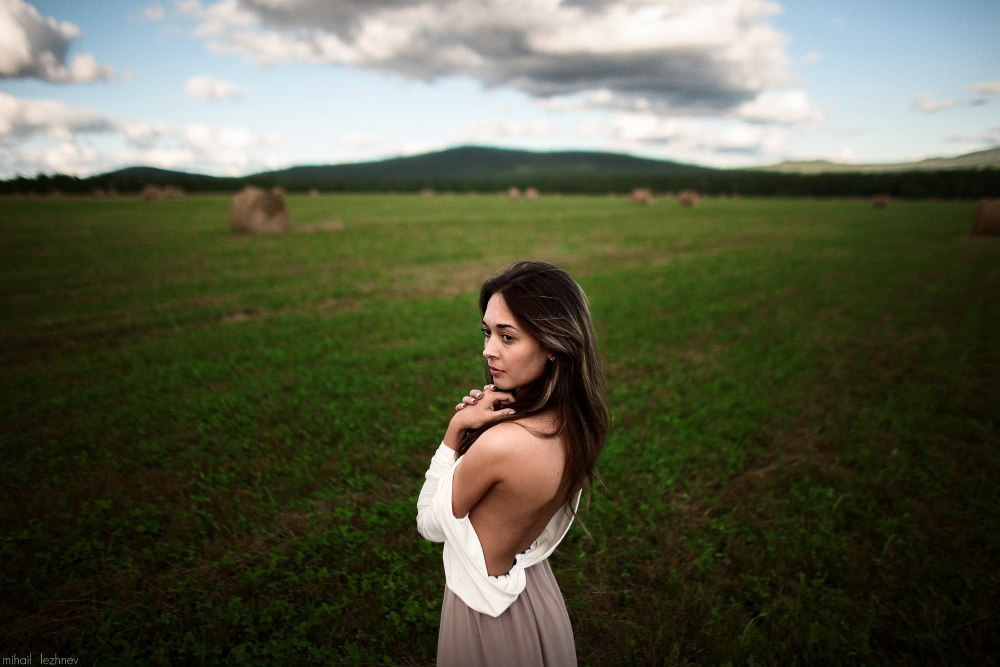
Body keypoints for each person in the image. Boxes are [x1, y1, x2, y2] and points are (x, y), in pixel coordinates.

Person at [416, 260, 610, 666]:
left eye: (508, 336)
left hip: (486, 620)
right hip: (538, 599)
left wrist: (455, 433)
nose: (489, 350)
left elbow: (430, 525)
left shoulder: (503, 445)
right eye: (487, 332)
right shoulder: (574, 428)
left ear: (554, 345)